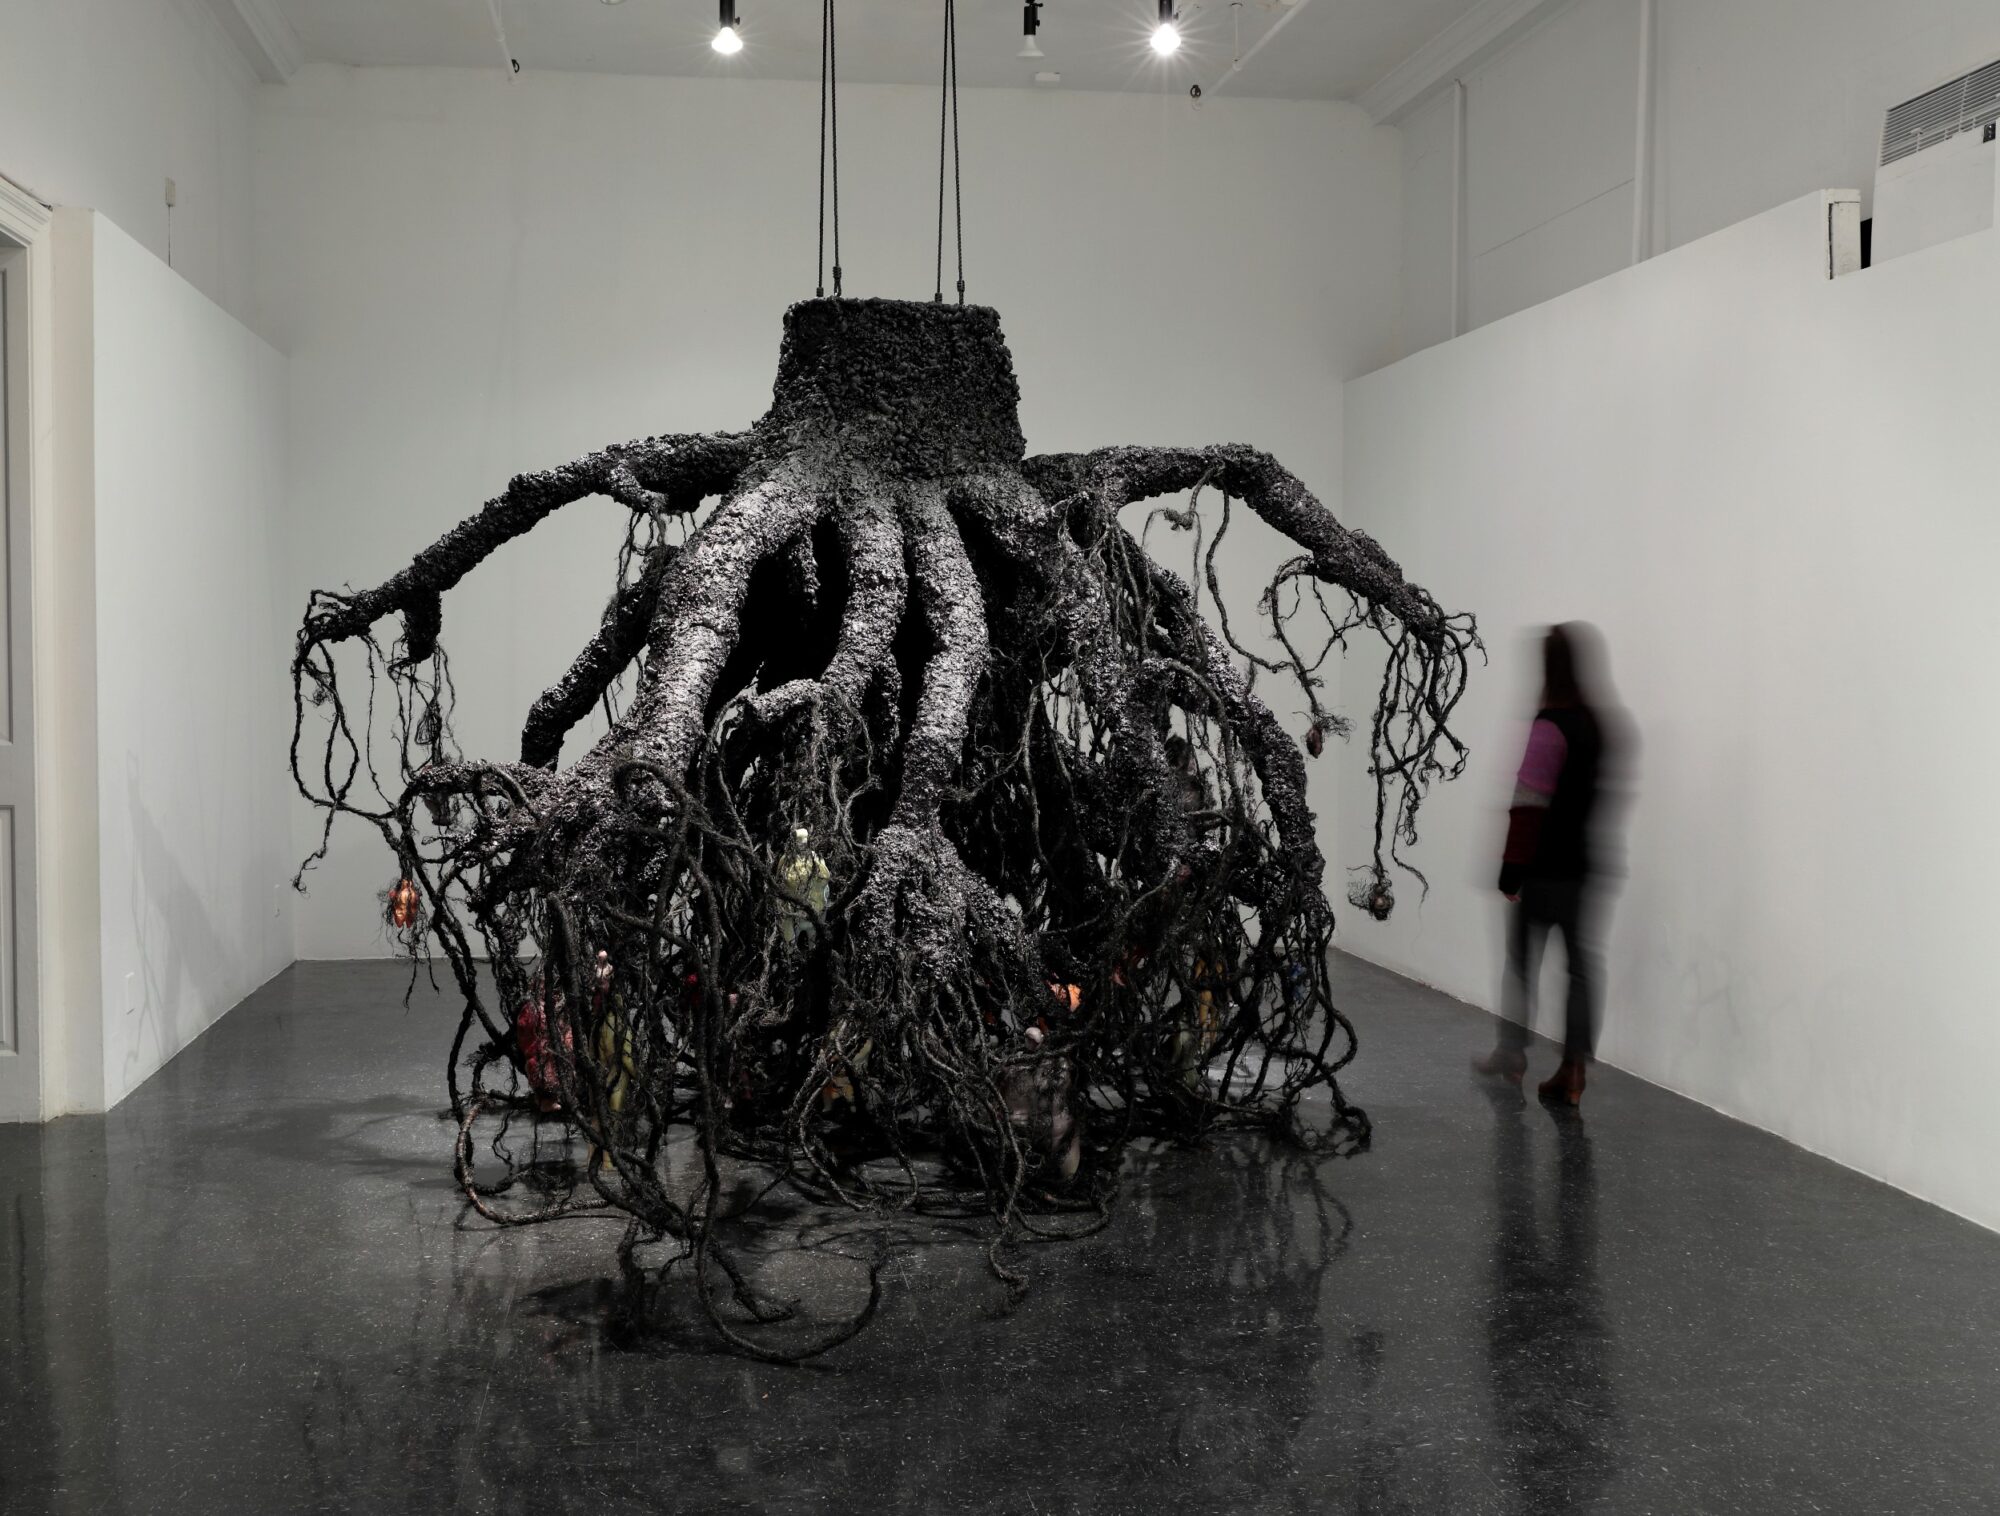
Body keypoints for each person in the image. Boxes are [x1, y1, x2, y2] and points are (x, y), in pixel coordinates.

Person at [1474, 623, 1620, 1107]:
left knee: (1520, 963)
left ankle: (1512, 1053)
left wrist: (1510, 872)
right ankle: (1573, 1070)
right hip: (1584, 867)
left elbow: (1528, 802)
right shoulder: (1600, 725)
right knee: (1580, 969)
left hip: (1543, 869)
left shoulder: (1549, 724)